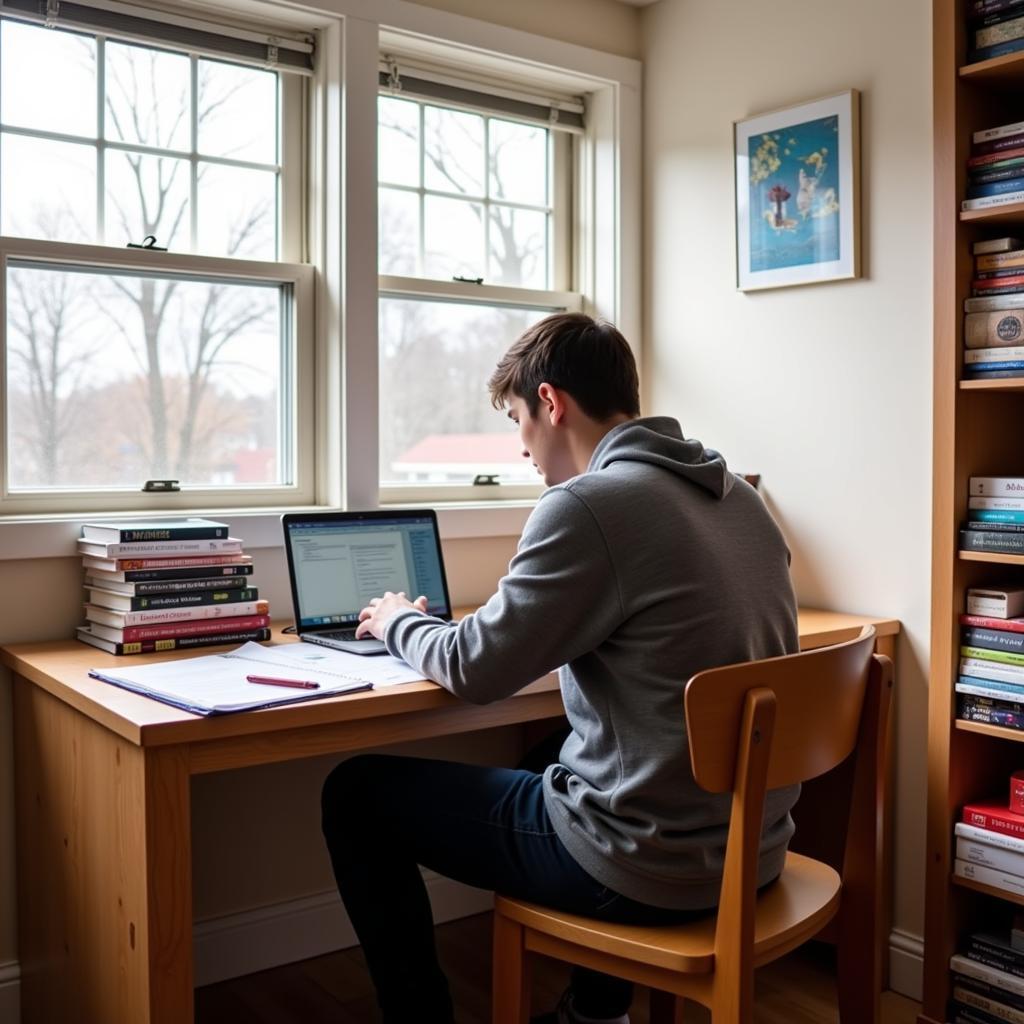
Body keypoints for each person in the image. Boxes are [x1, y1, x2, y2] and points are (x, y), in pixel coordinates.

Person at [321, 312, 799, 1024]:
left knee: (355, 794)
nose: (520, 446)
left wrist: (397, 620)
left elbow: (475, 669)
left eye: (517, 418)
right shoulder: (739, 497)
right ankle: (595, 1014)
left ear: (551, 403)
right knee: (551, 750)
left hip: (651, 864)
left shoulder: (586, 504)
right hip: (749, 847)